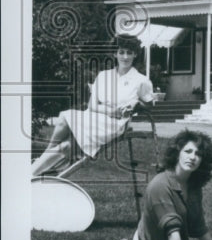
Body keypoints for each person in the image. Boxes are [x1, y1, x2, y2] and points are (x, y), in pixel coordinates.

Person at [97, 130, 212, 240]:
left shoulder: (194, 186)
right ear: (177, 153)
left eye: (198, 154)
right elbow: (173, 232)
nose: (192, 157)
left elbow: (198, 225)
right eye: (188, 151)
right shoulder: (161, 185)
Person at [32, 34, 154, 177]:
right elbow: (92, 105)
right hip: (97, 115)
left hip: (115, 123)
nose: (125, 57)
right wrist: (111, 111)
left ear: (135, 54)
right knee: (64, 121)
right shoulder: (104, 76)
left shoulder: (141, 80)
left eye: (129, 52)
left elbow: (149, 104)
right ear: (115, 53)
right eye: (121, 52)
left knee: (67, 144)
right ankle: (38, 169)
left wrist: (136, 104)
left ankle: (33, 171)